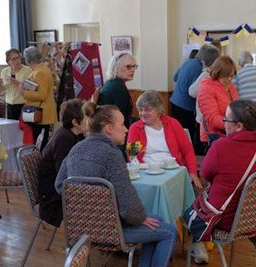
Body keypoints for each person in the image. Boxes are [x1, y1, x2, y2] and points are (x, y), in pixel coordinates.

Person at [55, 102, 177, 266]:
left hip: (79, 229)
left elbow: (60, 185)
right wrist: (140, 217)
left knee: (157, 219)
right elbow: (128, 206)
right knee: (169, 231)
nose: (126, 129)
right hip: (110, 231)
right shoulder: (112, 155)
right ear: (109, 128)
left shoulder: (76, 149)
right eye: (122, 124)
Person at [189, 100, 256, 264]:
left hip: (226, 220)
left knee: (188, 210)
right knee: (239, 202)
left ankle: (197, 250)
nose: (224, 124)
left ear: (239, 126)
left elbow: (206, 174)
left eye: (226, 120)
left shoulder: (221, 147)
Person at [127, 90, 202, 189]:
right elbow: (132, 156)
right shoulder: (135, 128)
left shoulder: (173, 124)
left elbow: (187, 151)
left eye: (147, 110)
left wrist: (193, 172)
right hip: (147, 172)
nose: (143, 113)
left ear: (158, 110)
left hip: (173, 171)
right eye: (140, 110)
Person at [38, 99, 87, 228]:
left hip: (56, 189)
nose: (90, 120)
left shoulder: (70, 134)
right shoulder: (64, 139)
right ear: (75, 122)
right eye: (87, 117)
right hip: (54, 198)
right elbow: (65, 176)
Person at [170, 44, 213, 146]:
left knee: (176, 132)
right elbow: (194, 91)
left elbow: (175, 77)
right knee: (186, 135)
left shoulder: (188, 62)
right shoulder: (199, 68)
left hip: (174, 101)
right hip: (186, 105)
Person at [19, 46, 57, 151]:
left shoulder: (40, 72)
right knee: (39, 143)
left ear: (28, 60)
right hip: (40, 112)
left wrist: (24, 92)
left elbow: (42, 95)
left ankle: (39, 166)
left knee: (40, 145)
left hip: (42, 113)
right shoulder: (40, 69)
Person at [197, 55, 238, 147]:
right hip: (213, 137)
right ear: (217, 73)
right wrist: (233, 125)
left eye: (231, 76)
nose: (229, 79)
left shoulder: (231, 87)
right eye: (225, 76)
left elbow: (236, 108)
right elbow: (212, 118)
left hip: (229, 134)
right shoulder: (206, 88)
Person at [188, 44, 220, 155]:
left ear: (204, 62)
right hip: (212, 119)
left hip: (202, 118)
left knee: (200, 147)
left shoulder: (205, 75)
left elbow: (191, 91)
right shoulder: (216, 75)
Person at [98, 53, 137, 129]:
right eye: (128, 67)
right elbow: (121, 118)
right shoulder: (118, 87)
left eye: (134, 66)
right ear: (117, 68)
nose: (132, 70)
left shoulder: (111, 83)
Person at [0, 48, 32, 120]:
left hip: (24, 105)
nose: (17, 60)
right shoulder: (4, 71)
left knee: (24, 129)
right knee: (12, 128)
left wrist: (17, 82)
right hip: (10, 106)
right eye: (13, 59)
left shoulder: (28, 70)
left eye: (18, 57)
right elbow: (0, 91)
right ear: (8, 62)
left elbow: (31, 88)